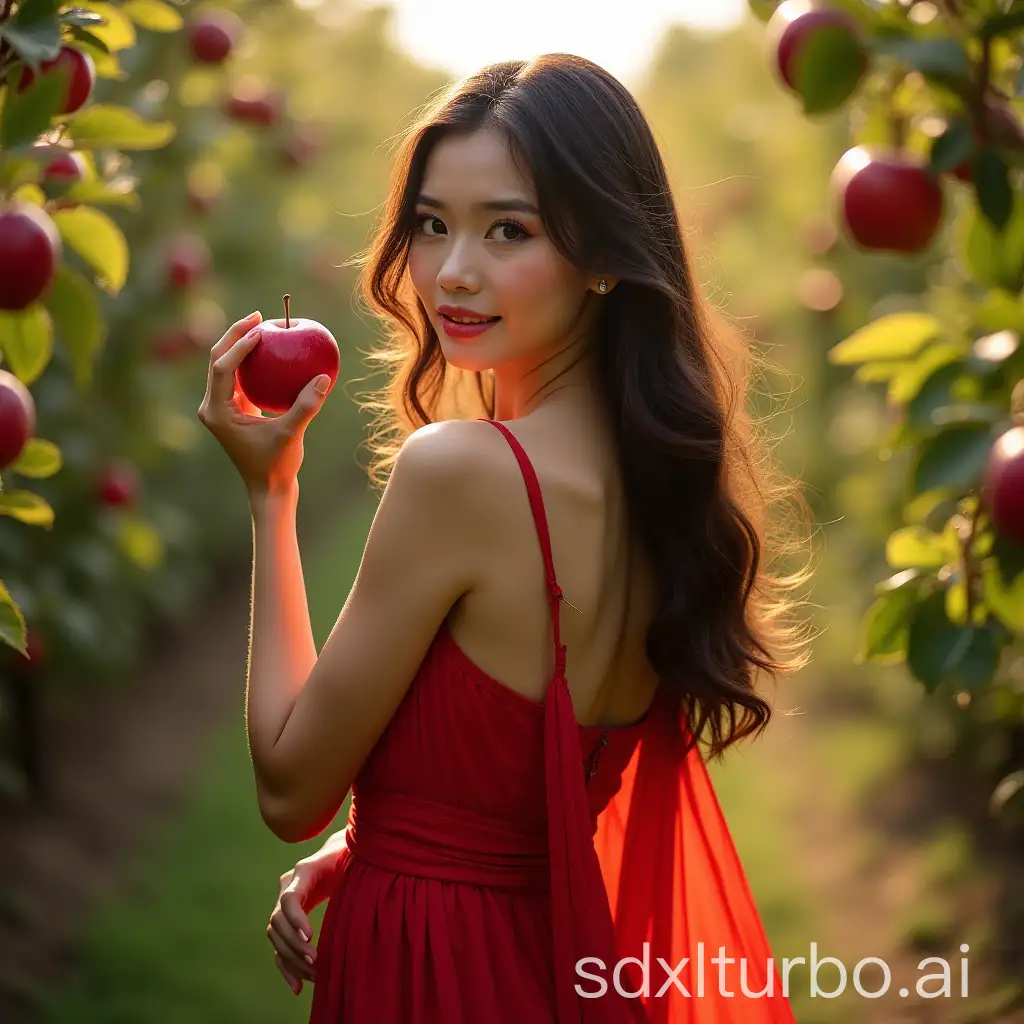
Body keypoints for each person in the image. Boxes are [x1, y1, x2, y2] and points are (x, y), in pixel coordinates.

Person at [199, 52, 813, 1023]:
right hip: (557, 959)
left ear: (605, 255)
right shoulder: (661, 485)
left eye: (509, 230)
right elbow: (531, 794)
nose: (453, 270)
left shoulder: (464, 471)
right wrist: (374, 844)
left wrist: (272, 494)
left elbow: (288, 786)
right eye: (433, 224)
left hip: (434, 968)